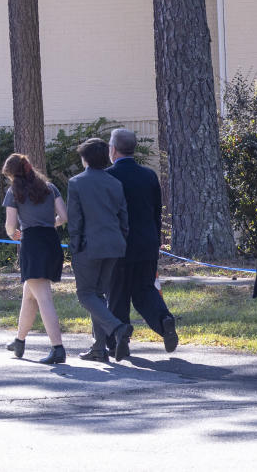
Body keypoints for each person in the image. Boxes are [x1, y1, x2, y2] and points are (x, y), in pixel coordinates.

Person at [104, 129, 177, 357]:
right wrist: (156, 239)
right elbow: (156, 212)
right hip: (147, 243)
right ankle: (164, 319)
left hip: (118, 245)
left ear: (113, 149)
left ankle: (119, 338)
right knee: (145, 289)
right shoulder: (149, 175)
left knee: (117, 293)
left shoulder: (108, 177)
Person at [67, 137, 133, 363]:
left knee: (85, 294)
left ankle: (117, 328)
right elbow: (123, 217)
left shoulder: (76, 183)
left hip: (88, 245)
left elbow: (75, 220)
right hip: (114, 245)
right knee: (99, 295)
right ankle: (98, 347)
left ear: (84, 159)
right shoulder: (115, 183)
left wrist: (74, 246)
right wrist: (120, 239)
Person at [2, 153, 68, 365]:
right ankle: (19, 341)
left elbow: (11, 226)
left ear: (13, 175)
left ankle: (58, 348)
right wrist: (50, 223)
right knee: (29, 296)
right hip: (51, 241)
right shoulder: (50, 187)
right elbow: (64, 217)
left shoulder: (13, 192)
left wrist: (13, 234)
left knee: (43, 298)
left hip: (32, 243)